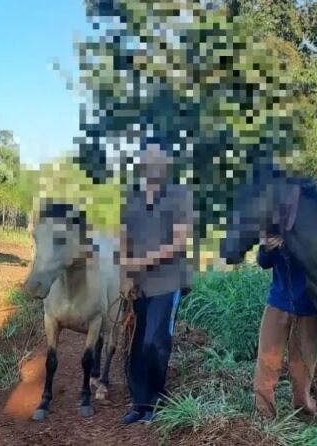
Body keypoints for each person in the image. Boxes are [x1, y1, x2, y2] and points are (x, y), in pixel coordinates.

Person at [118, 140, 194, 424]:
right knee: (135, 343)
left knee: (154, 341)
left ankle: (156, 401)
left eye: (159, 158)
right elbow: (124, 239)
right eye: (148, 158)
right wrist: (125, 275)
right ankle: (138, 404)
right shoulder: (132, 197)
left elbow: (179, 241)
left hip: (168, 281)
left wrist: (141, 262)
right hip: (138, 284)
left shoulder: (179, 195)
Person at [254, 240, 317, 418]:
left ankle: (304, 413)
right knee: (267, 361)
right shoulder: (275, 226)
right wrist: (267, 248)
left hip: (309, 309)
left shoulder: (312, 225)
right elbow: (263, 262)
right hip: (277, 302)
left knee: (302, 366)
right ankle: (264, 415)